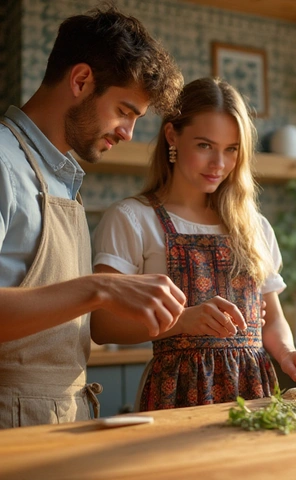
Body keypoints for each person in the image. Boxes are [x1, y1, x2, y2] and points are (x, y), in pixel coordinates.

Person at [91, 77, 296, 411]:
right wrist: (181, 321)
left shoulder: (253, 226)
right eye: (205, 146)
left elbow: (271, 319)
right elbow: (102, 326)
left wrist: (288, 354)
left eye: (231, 150)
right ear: (172, 135)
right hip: (176, 396)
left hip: (255, 395)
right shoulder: (132, 218)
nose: (219, 164)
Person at [0, 4, 186, 428]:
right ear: (81, 80)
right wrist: (100, 287)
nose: (128, 132)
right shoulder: (2, 162)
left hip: (59, 420)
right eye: (124, 111)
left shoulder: (62, 179)